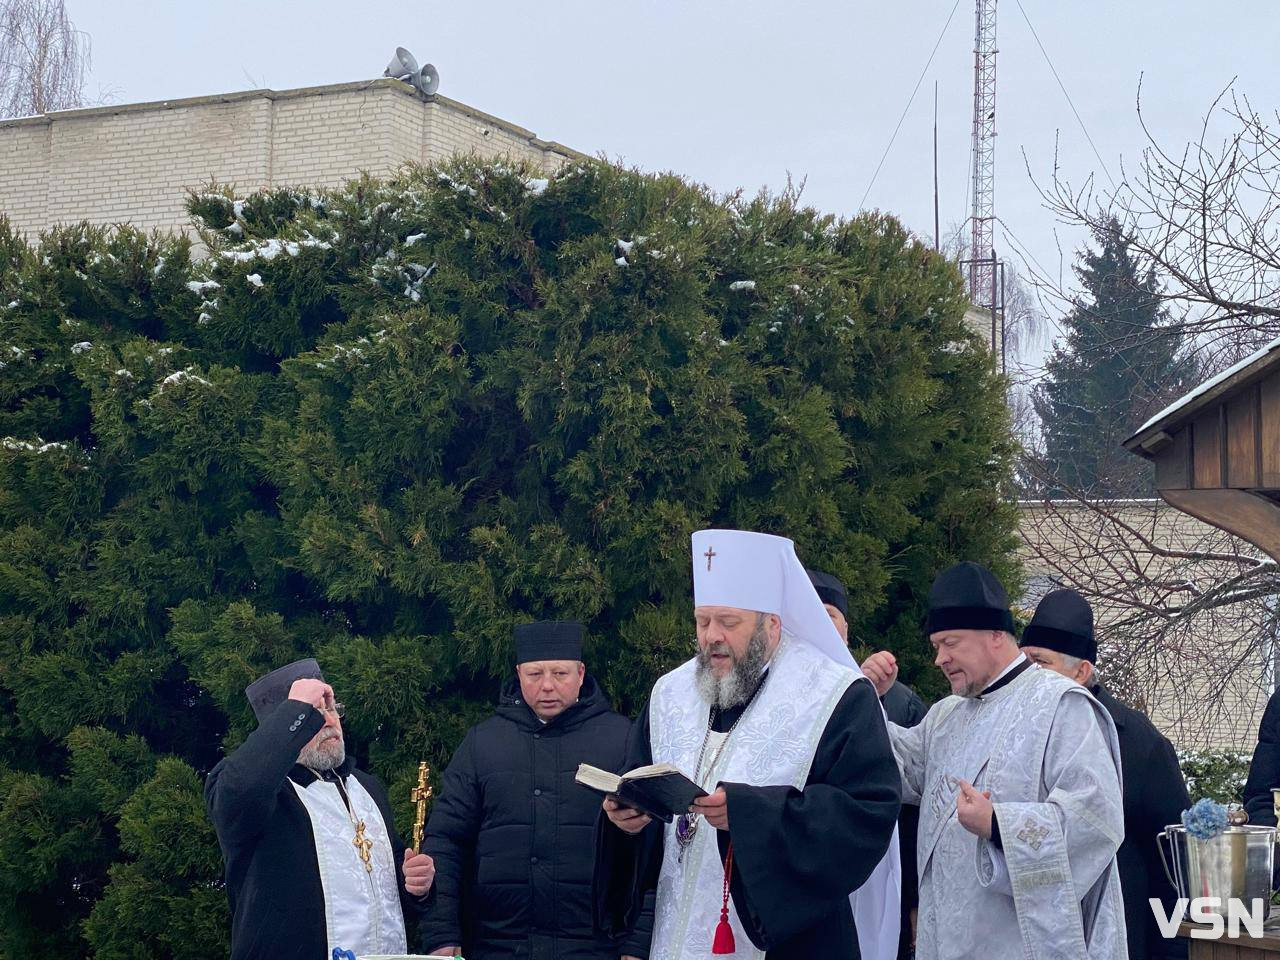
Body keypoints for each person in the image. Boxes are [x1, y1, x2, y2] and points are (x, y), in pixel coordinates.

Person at [595, 529, 902, 960]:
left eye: (729, 622)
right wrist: (626, 822)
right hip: (677, 939)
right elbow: (648, 793)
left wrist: (749, 815)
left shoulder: (836, 694)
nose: (711, 637)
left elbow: (868, 812)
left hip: (790, 945)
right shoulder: (671, 693)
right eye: (703, 622)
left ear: (771, 624)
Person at [862, 562, 1127, 960]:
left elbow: (1096, 819)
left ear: (996, 635)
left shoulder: (1059, 704)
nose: (939, 658)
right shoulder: (947, 716)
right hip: (947, 938)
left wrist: (999, 824)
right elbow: (892, 769)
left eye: (950, 643)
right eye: (936, 646)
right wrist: (864, 701)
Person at [420, 621, 642, 960]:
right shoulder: (482, 743)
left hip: (594, 947)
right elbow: (446, 841)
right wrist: (441, 934)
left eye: (560, 674)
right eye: (535, 674)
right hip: (497, 946)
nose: (548, 686)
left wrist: (637, 944)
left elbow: (651, 852)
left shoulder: (623, 740)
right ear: (518, 674)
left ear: (581, 673)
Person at [205, 658, 434, 960]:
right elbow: (236, 793)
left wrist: (417, 886)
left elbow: (381, 898)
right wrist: (297, 707)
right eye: (314, 714)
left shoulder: (367, 788)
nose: (329, 721)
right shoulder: (264, 793)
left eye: (331, 709)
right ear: (284, 726)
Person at [1020, 587, 1189, 960]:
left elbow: (1175, 870)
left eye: (1041, 662)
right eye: (1025, 661)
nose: (1029, 675)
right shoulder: (1014, 730)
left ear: (1081, 671)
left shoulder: (1140, 743)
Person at [808, 567, 924, 960]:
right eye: (811, 613)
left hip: (871, 870)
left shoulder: (897, 699)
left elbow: (912, 804)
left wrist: (914, 898)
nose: (821, 624)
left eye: (830, 613)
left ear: (846, 627)